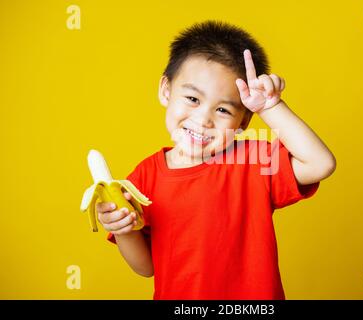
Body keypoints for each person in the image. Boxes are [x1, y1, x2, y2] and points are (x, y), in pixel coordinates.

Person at [96, 20, 336, 300]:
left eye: (223, 109)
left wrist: (271, 107)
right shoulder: (144, 177)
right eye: (192, 99)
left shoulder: (253, 162)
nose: (203, 120)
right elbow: (146, 267)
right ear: (166, 90)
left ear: (244, 120)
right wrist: (122, 229)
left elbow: (320, 164)